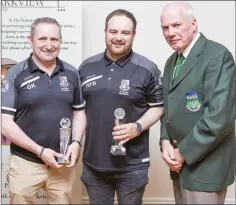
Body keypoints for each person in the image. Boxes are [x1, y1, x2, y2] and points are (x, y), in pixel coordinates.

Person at [79, 9, 164, 204]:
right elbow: (78, 111)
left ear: (133, 35)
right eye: (113, 32)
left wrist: (138, 127)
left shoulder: (147, 69)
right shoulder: (86, 67)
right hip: (94, 164)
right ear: (105, 32)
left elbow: (158, 107)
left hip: (132, 165)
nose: (118, 37)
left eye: (125, 33)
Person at [1, 17, 86, 204]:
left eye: (54, 39)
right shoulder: (16, 73)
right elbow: (5, 124)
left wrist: (76, 143)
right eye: (42, 39)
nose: (49, 45)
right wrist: (40, 151)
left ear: (60, 41)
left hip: (62, 163)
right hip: (26, 162)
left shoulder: (72, 73)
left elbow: (79, 113)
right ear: (30, 40)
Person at [159, 1, 235, 204]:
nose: (170, 32)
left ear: (193, 24)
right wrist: (164, 141)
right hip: (179, 167)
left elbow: (219, 118)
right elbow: (168, 110)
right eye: (165, 28)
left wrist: (182, 153)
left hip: (206, 171)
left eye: (176, 25)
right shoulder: (171, 62)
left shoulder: (218, 56)